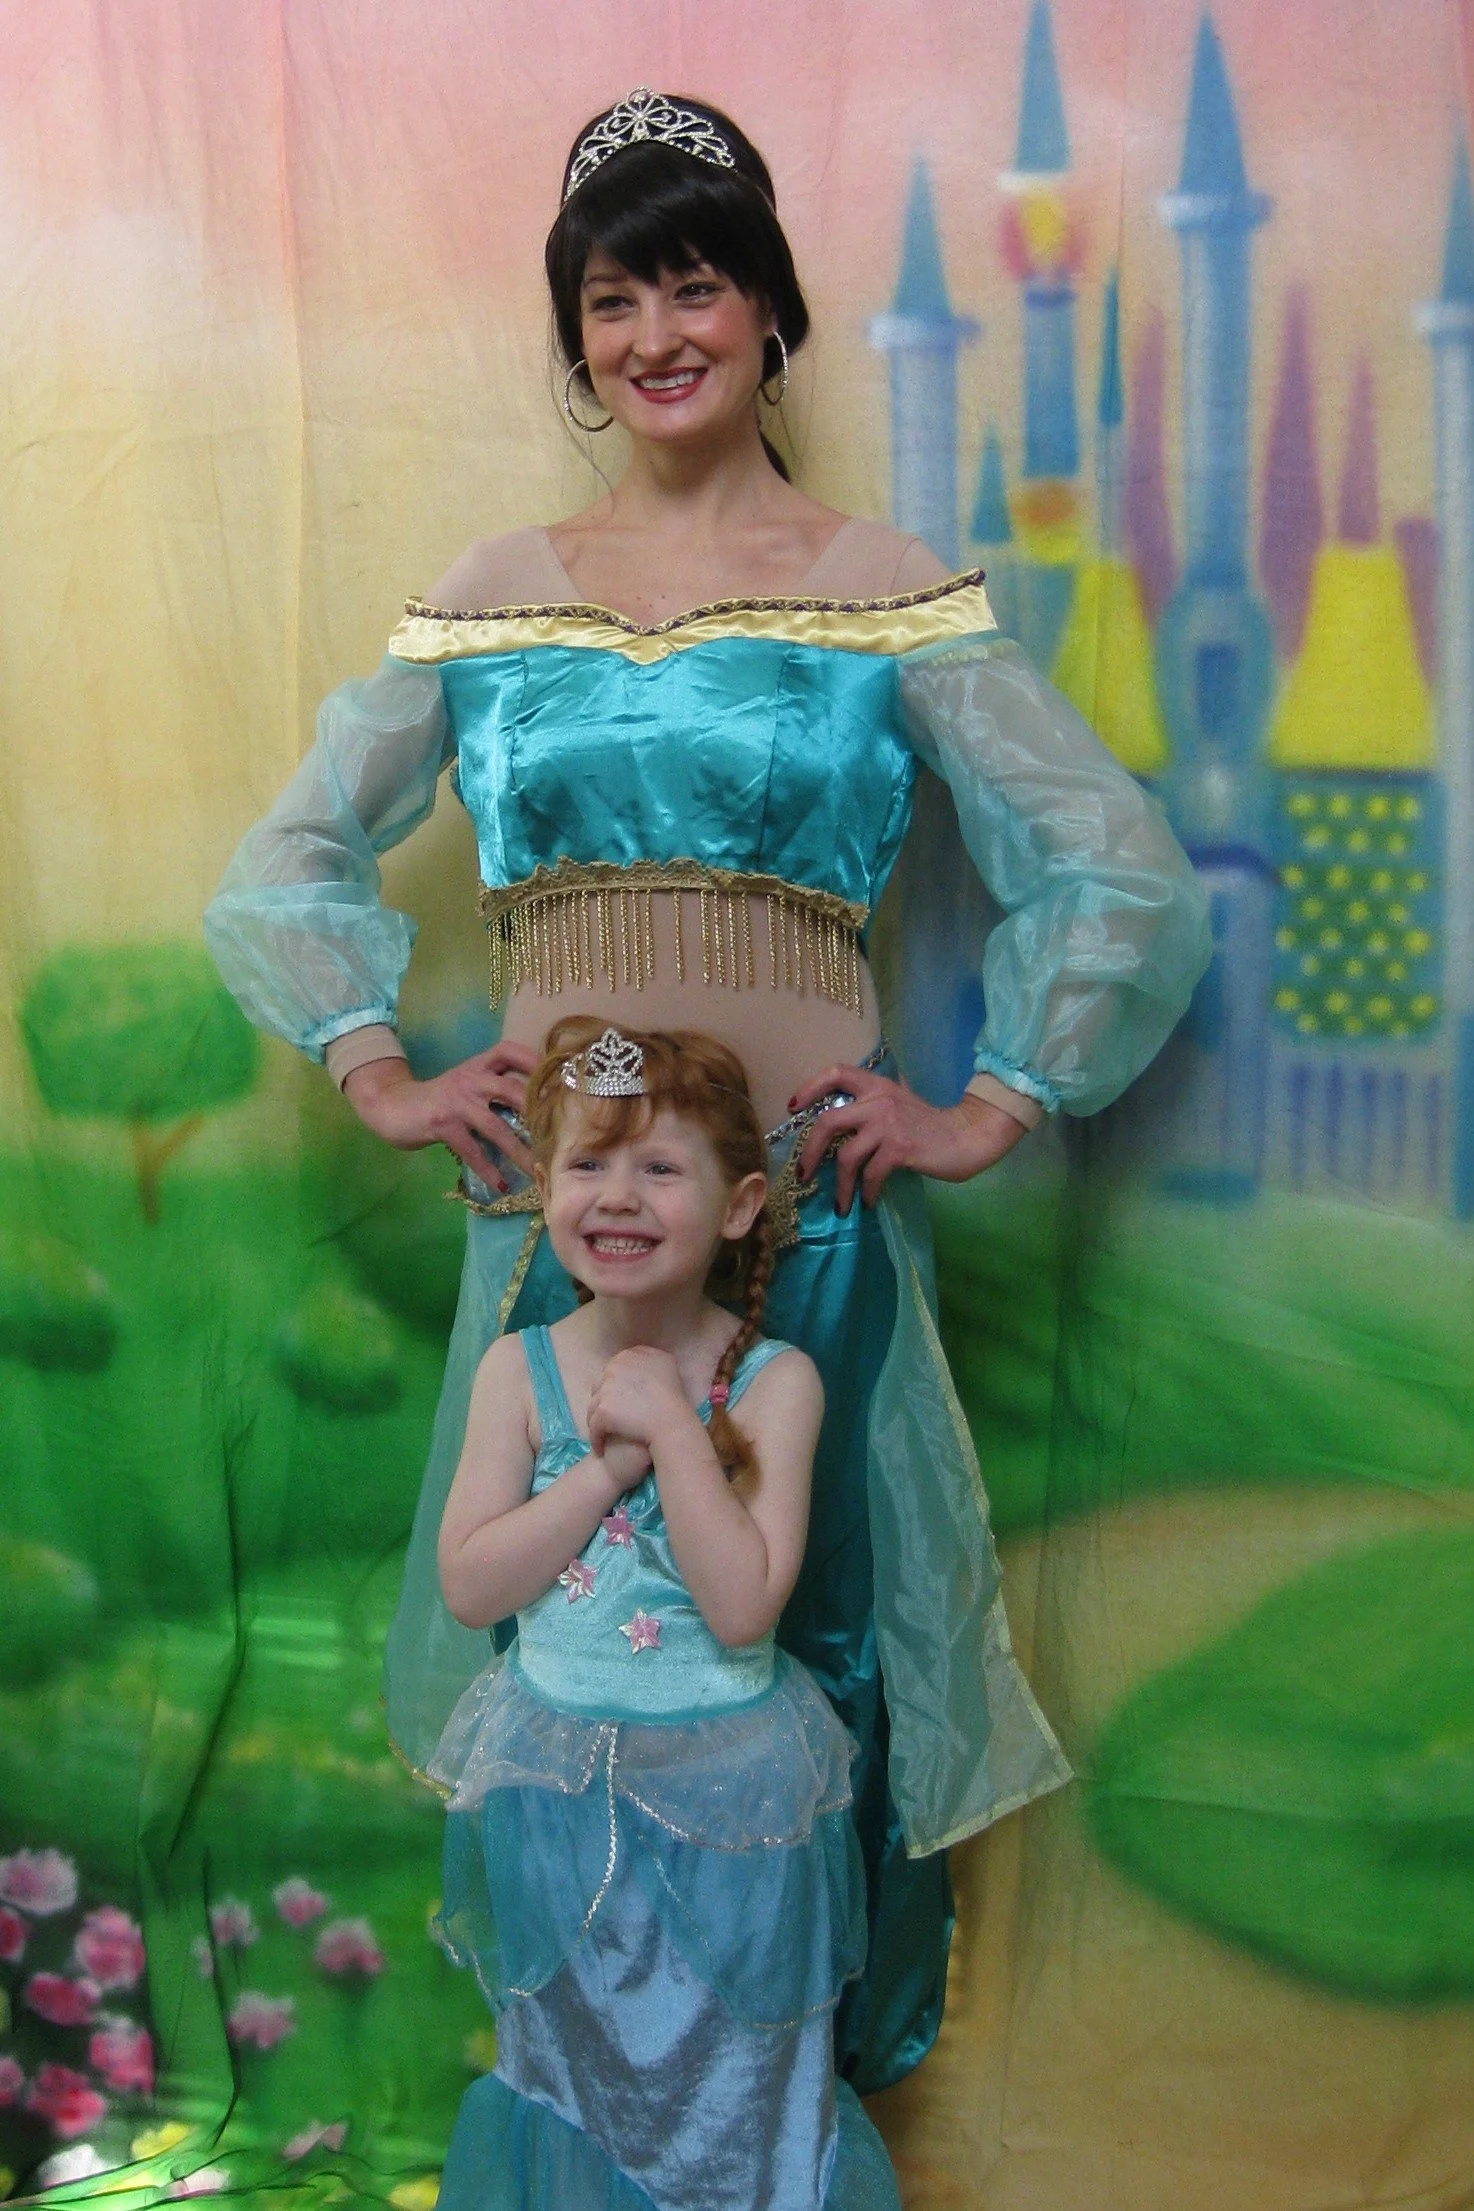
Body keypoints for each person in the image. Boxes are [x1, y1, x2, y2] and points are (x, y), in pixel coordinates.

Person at [204, 88, 1211, 2091]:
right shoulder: (495, 591)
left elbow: (1106, 856)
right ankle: (594, 2107)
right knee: (568, 1659)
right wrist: (377, 1057)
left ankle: (771, 2120)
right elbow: (285, 858)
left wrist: (992, 1098)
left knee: (795, 1654)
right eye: (611, 296)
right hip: (557, 1232)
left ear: (767, 310)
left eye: (697, 281)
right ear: (573, 338)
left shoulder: (877, 584)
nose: (657, 330)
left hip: (805, 1230)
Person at [430, 1016, 900, 2211]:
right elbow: (472, 1583)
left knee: (733, 2071)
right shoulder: (519, 1372)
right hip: (553, 1786)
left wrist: (678, 1430)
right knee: (574, 2056)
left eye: (659, 1167)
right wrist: (606, 1467)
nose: (618, 1196)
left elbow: (743, 1607)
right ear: (546, 1187)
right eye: (588, 1162)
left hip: (729, 1801)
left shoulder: (776, 1381)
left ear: (740, 1207)